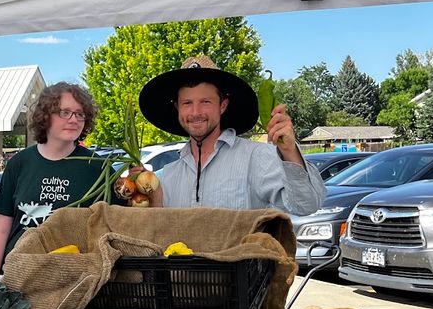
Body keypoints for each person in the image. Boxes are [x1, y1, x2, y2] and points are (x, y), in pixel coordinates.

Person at [138, 55, 325, 215]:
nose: (195, 112)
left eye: (205, 101)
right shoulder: (168, 176)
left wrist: (290, 151)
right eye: (187, 103)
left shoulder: (256, 157)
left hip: (245, 258)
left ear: (222, 106)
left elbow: (305, 206)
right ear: (178, 108)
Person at [0, 82, 108, 273]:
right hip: (19, 272)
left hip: (74, 277)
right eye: (64, 112)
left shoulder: (97, 166)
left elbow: (112, 226)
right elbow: (1, 227)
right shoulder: (20, 162)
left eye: (80, 114)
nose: (74, 119)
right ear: (45, 116)